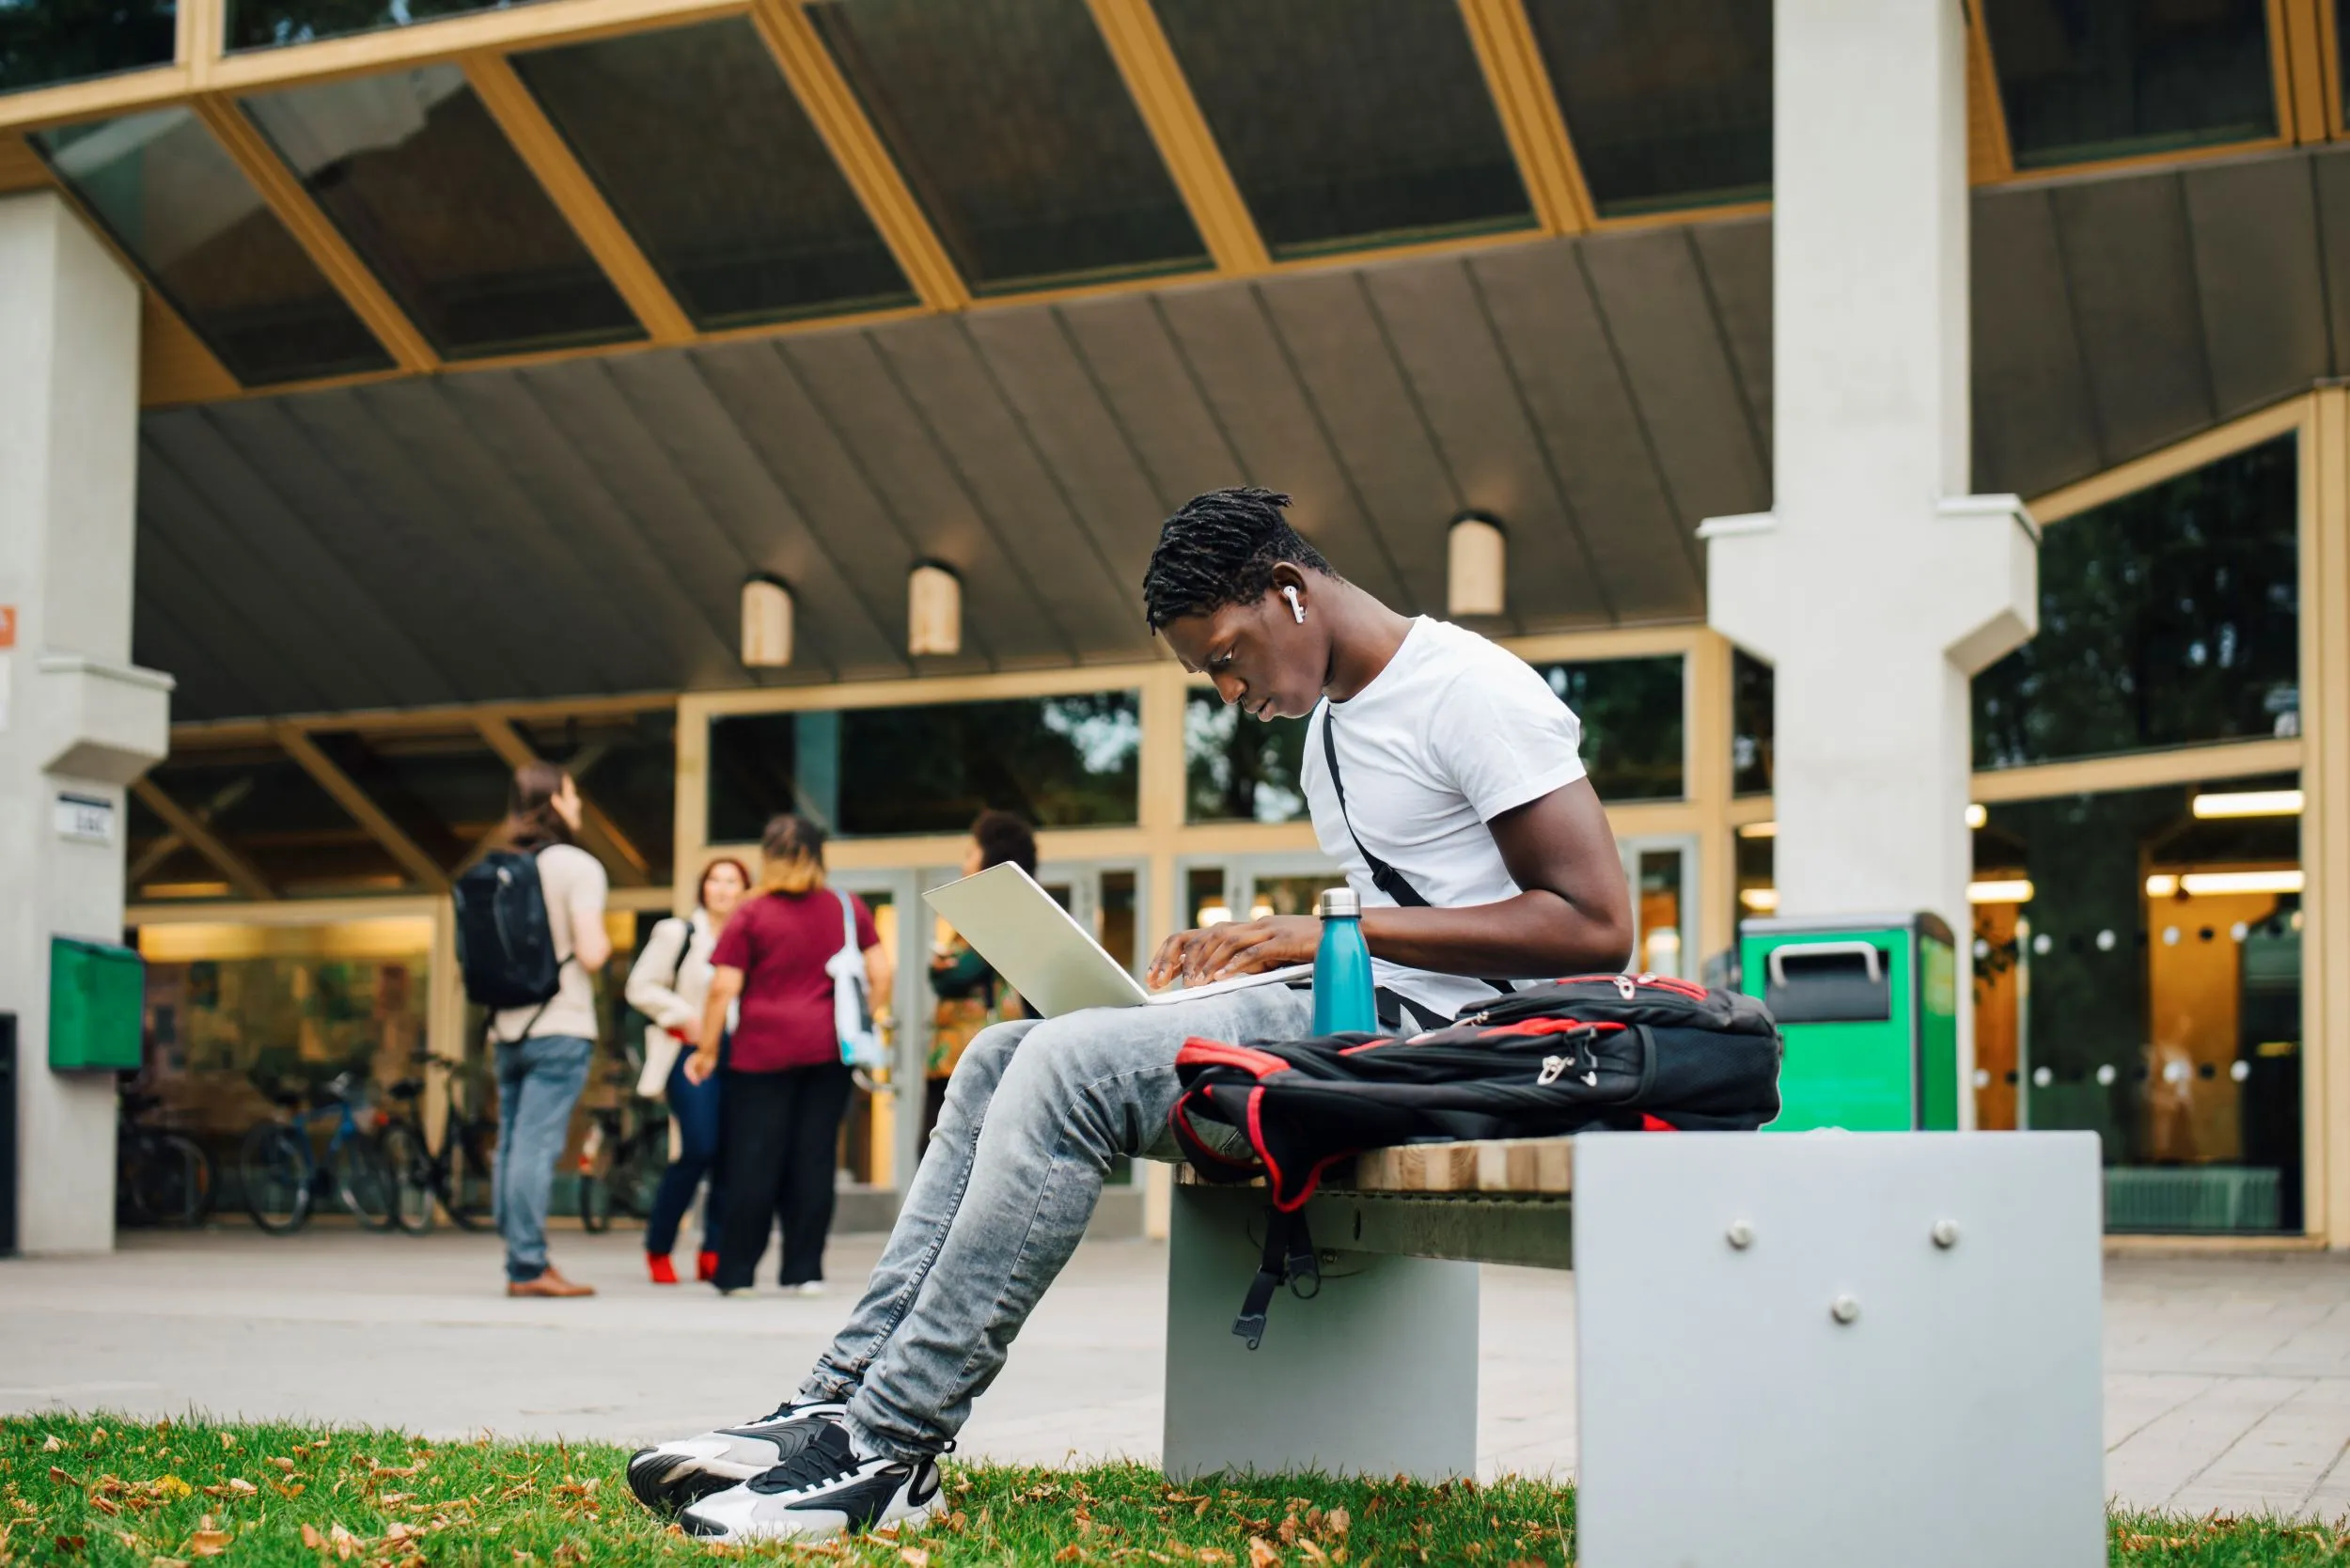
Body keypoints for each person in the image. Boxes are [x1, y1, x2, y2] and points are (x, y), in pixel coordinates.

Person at [628, 486, 1633, 1539]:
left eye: (1227, 656)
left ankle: (891, 1448)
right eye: (1211, 673)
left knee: (1069, 1071)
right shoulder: (1330, 731)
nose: (1229, 688)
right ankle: (841, 1399)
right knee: (1002, 1054)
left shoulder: (1466, 689)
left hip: (1466, 1057)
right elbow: (1397, 922)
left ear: (1289, 593)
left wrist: (1323, 933)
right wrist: (1253, 966)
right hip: (1368, 1025)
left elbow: (1591, 922)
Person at [686, 814, 892, 1297]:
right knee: (814, 1159)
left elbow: (723, 989)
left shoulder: (751, 914)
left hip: (761, 1055)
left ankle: (737, 1274)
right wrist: (858, 1018)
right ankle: (804, 1272)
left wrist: (707, 1049)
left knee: (753, 1161)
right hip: (827, 1052)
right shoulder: (847, 906)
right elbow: (881, 973)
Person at [489, 761, 612, 1300]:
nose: (579, 804)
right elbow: (590, 951)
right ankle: (528, 1264)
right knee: (536, 1148)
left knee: (513, 1145)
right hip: (560, 1024)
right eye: (573, 794)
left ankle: (517, 1255)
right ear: (556, 802)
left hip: (506, 1026)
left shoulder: (502, 865)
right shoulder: (577, 866)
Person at [625, 856, 752, 1287]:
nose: (721, 888)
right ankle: (659, 1245)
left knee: (732, 1156)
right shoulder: (678, 933)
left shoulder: (749, 936)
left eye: (731, 881)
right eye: (714, 880)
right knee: (698, 1147)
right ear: (702, 888)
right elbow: (640, 986)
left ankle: (713, 1249)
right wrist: (685, 1015)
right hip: (690, 1049)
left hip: (741, 1053)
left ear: (744, 890)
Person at [923, 810, 1036, 1143]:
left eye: (971, 852)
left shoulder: (1000, 913)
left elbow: (956, 977)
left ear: (994, 856)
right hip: (965, 1055)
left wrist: (941, 968)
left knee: (953, 1148)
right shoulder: (999, 912)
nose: (964, 863)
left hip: (974, 1056)